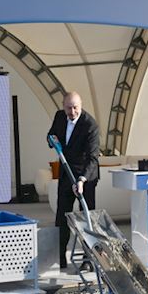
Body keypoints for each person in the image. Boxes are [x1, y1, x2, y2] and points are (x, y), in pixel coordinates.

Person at [47, 91, 99, 271]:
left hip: (86, 177)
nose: (72, 112)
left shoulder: (90, 125)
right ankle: (59, 256)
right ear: (63, 106)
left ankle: (88, 259)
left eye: (75, 107)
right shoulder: (60, 117)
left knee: (87, 218)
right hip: (65, 175)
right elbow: (51, 135)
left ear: (81, 105)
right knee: (62, 216)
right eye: (68, 108)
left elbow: (93, 158)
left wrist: (82, 180)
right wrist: (52, 140)